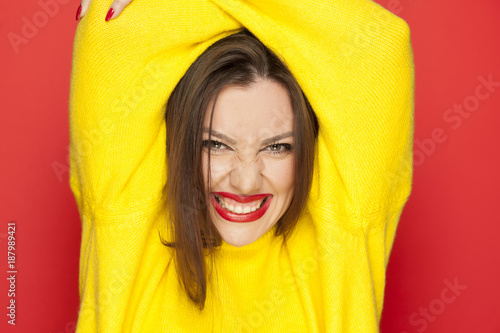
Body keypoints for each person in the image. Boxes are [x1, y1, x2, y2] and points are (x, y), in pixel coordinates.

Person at [69, 1, 414, 332]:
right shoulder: (126, 221)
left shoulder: (342, 234)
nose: (246, 182)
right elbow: (111, 30)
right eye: (216, 145)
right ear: (182, 140)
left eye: (277, 147)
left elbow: (380, 45)